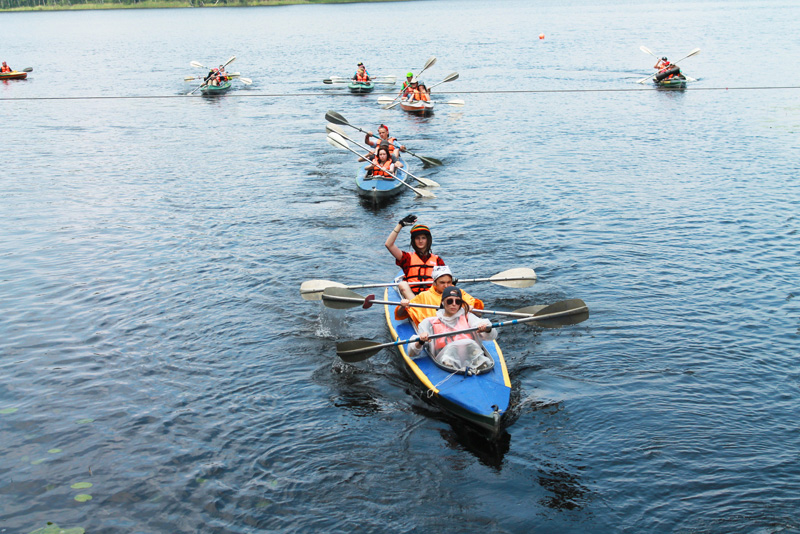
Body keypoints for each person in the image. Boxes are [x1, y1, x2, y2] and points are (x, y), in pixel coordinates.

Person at [408, 286, 496, 373]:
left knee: (470, 344)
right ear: (443, 302)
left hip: (473, 358)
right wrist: (420, 341)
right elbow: (412, 352)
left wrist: (486, 329)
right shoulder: (429, 323)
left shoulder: (468, 317)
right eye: (450, 301)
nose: (454, 304)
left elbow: (491, 336)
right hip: (446, 365)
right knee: (452, 349)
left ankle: (480, 364)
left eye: (457, 302)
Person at [396, 265, 484, 325]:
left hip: (458, 327)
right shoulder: (424, 296)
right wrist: (402, 306)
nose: (446, 286)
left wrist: (471, 308)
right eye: (442, 283)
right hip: (435, 332)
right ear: (434, 283)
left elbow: (478, 313)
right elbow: (400, 315)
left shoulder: (459, 292)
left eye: (449, 282)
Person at [385, 215, 445, 300]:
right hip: (413, 297)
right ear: (413, 241)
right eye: (417, 238)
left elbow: (445, 280)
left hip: (432, 298)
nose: (420, 241)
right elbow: (389, 245)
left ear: (428, 240)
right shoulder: (407, 258)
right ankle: (417, 307)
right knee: (402, 284)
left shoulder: (438, 260)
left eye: (423, 238)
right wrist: (400, 225)